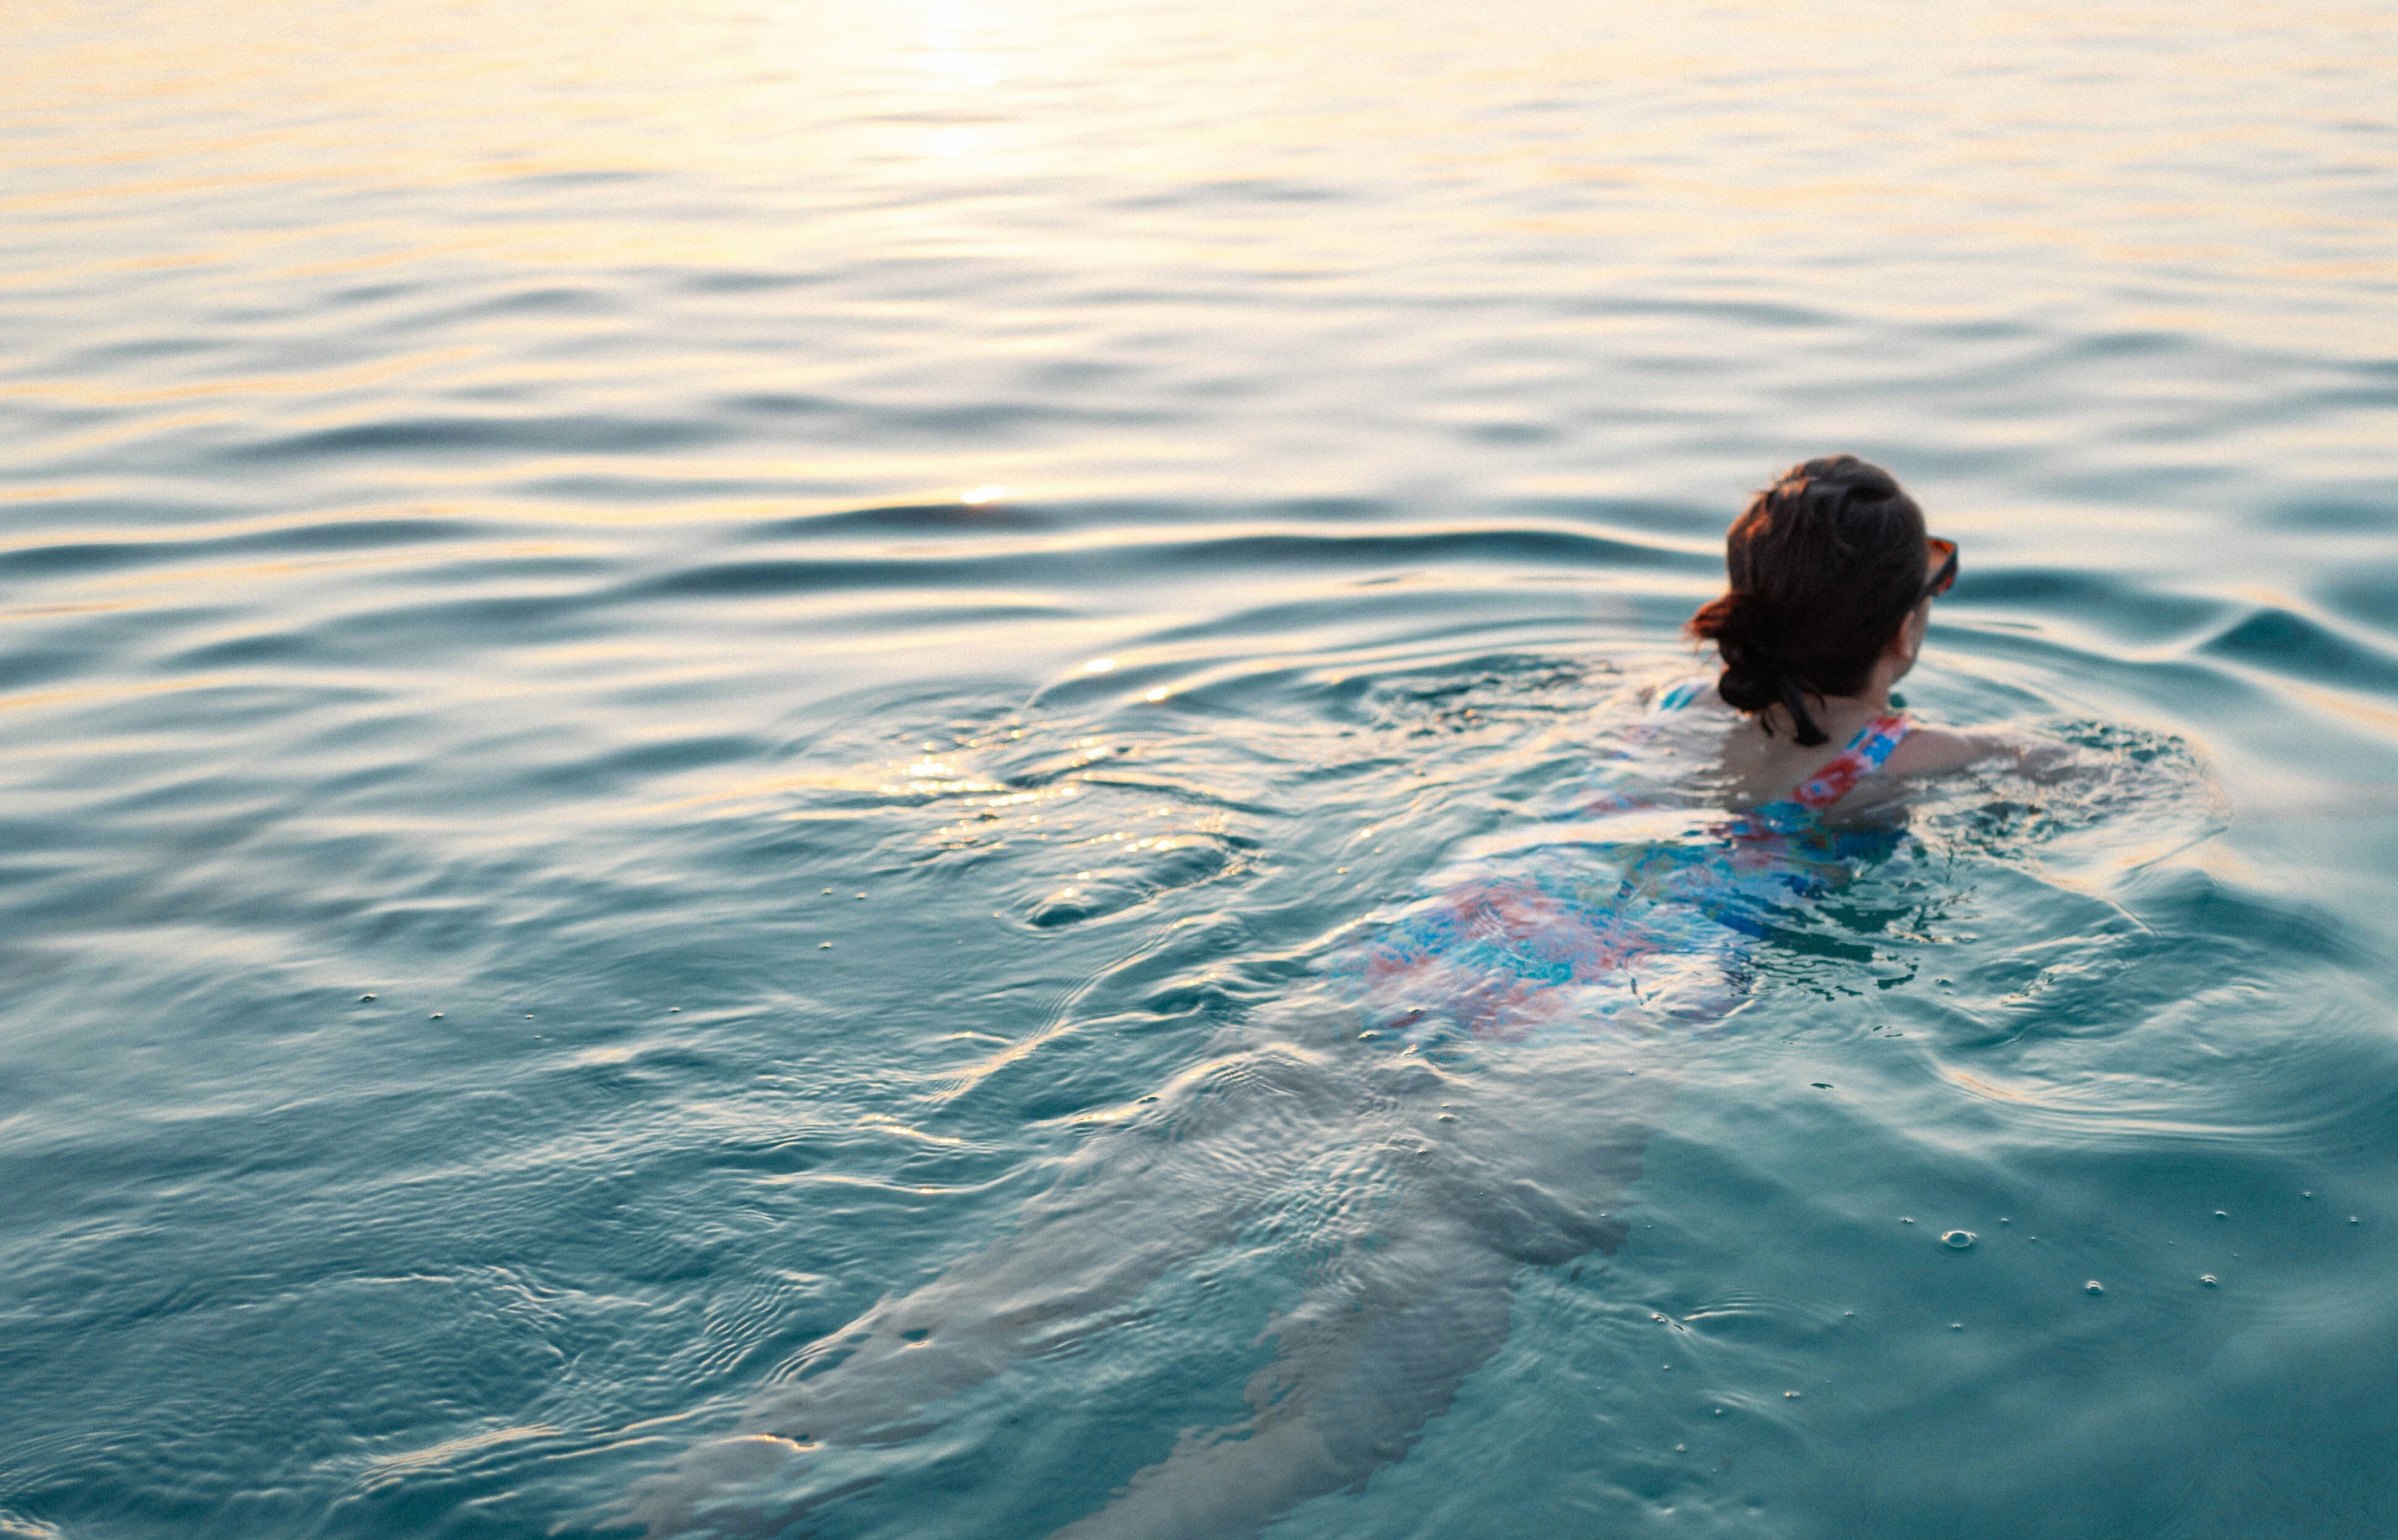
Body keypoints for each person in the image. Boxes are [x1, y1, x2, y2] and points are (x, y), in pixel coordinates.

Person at [628, 456, 2010, 1539]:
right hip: (1583, 1047)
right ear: (1902, 630)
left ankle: (714, 1490)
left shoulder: (1658, 712)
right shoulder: (1906, 758)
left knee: (1044, 1276)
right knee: (1347, 1425)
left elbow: (1660, 675)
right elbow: (2100, 778)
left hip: (1419, 967)